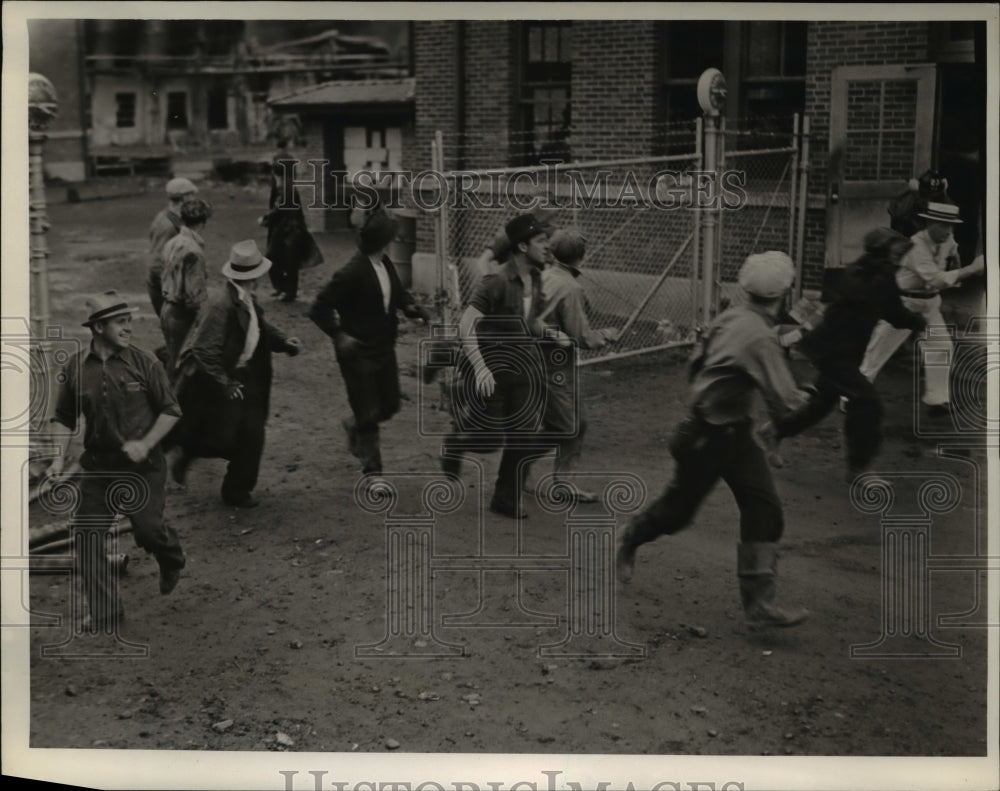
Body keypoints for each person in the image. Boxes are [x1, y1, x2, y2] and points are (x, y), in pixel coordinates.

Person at [615, 251, 812, 629]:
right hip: (707, 437)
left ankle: (759, 603)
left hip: (731, 431)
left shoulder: (733, 317)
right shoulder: (758, 337)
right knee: (677, 514)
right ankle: (632, 536)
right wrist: (817, 394)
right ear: (784, 294)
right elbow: (786, 403)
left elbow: (695, 363)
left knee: (765, 510)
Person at [47, 292, 187, 631]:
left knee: (149, 530)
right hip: (98, 468)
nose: (129, 328)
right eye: (120, 322)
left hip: (143, 467)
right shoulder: (75, 367)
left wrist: (147, 442)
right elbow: (64, 417)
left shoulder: (145, 362)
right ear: (98, 327)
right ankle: (106, 613)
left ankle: (171, 559)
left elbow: (172, 410)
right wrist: (55, 461)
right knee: (88, 536)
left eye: (129, 321)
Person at [764, 229, 926, 481]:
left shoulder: (860, 272)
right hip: (835, 353)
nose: (900, 261)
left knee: (821, 405)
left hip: (839, 351)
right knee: (867, 403)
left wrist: (914, 320)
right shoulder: (876, 278)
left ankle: (775, 431)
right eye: (898, 255)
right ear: (885, 253)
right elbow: (890, 309)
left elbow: (887, 310)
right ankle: (858, 469)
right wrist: (917, 321)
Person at [168, 240, 303, 508]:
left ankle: (235, 490)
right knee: (224, 434)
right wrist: (225, 383)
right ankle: (188, 450)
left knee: (251, 434)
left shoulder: (247, 297)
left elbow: (259, 327)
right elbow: (204, 350)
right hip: (221, 377)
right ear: (252, 275)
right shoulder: (221, 305)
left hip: (246, 375)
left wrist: (284, 342)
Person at [440, 212, 552, 519]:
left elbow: (530, 321)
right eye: (541, 242)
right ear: (522, 247)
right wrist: (481, 368)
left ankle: (504, 499)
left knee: (524, 436)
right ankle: (456, 443)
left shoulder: (538, 277)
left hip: (524, 369)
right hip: (492, 369)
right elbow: (466, 326)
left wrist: (553, 333)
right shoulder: (496, 283)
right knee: (490, 440)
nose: (547, 247)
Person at [309, 207, 431, 476]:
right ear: (384, 241)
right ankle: (373, 470)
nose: (396, 240)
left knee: (390, 404)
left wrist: (411, 307)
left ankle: (353, 425)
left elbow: (398, 294)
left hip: (384, 347)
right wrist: (339, 335)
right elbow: (319, 307)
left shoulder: (385, 263)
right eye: (392, 236)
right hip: (358, 350)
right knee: (368, 410)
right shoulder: (350, 273)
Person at [858, 201, 985, 417]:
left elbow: (953, 250)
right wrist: (971, 269)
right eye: (944, 225)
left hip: (929, 304)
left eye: (952, 226)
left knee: (941, 345)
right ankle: (852, 396)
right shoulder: (916, 246)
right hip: (905, 304)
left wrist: (957, 260)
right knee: (878, 350)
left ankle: (937, 400)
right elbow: (936, 280)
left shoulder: (947, 240)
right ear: (930, 224)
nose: (948, 231)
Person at [531, 228, 620, 502]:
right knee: (571, 424)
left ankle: (522, 470)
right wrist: (606, 335)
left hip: (532, 359)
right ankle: (553, 480)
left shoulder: (543, 276)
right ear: (581, 258)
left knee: (562, 422)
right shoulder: (571, 287)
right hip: (552, 365)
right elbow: (580, 336)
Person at [159, 197, 213, 376]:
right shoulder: (194, 251)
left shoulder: (172, 243)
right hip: (182, 314)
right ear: (204, 222)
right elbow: (195, 295)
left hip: (167, 308)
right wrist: (204, 321)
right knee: (181, 366)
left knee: (173, 359)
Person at [259, 158, 322, 302]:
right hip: (287, 229)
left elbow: (280, 209)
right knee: (283, 260)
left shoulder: (286, 188)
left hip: (290, 230)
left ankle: (288, 292)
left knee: (284, 260)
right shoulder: (286, 186)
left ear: (275, 173)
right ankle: (284, 289)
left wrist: (265, 219)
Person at [148, 177, 199, 317]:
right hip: (164, 285)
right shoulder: (169, 226)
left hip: (165, 282)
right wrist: (172, 290)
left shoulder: (166, 216)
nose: (194, 199)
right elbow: (158, 262)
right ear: (184, 198)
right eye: (192, 195)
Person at [887, 169, 951, 240]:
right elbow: (899, 214)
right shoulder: (909, 199)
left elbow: (949, 213)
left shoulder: (940, 200)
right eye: (928, 196)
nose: (931, 199)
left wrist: (944, 193)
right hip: (908, 240)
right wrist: (915, 194)